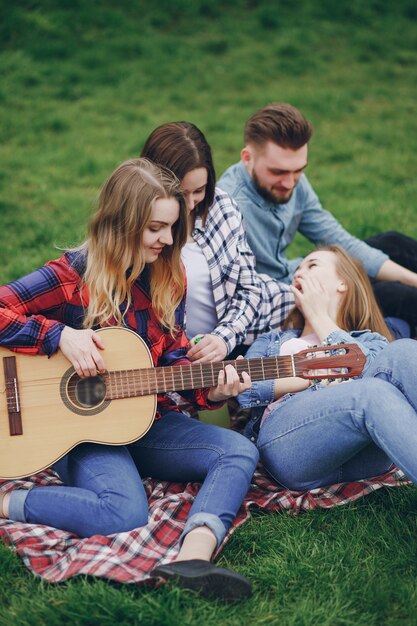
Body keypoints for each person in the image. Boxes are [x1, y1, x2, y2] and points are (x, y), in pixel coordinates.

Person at [0, 158, 259, 602]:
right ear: (120, 223)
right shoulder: (70, 277)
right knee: (122, 512)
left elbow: (173, 360)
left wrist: (211, 390)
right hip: (75, 430)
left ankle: (193, 557)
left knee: (238, 450)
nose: (166, 240)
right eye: (155, 228)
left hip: (145, 417)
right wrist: (59, 336)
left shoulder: (167, 276)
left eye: (172, 228)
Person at [218, 102, 417, 335]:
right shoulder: (229, 209)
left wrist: (412, 278)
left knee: (393, 243)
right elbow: (242, 293)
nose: (291, 183)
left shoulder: (292, 179)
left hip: (298, 271)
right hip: (282, 300)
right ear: (247, 158)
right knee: (398, 296)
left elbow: (336, 237)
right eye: (278, 172)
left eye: (299, 170)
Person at [238, 245, 417, 493]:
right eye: (298, 268)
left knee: (406, 349)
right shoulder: (272, 341)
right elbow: (248, 387)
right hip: (293, 448)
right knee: (371, 392)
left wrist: (319, 317)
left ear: (342, 283)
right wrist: (315, 379)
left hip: (366, 455)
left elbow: (363, 365)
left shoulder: (371, 341)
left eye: (312, 265)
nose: (299, 272)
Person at [141, 121, 294, 364]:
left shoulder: (220, 206)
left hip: (261, 323)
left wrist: (223, 338)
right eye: (181, 194)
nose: (191, 205)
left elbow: (250, 288)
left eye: (199, 190)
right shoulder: (140, 226)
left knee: (350, 296)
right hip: (192, 356)